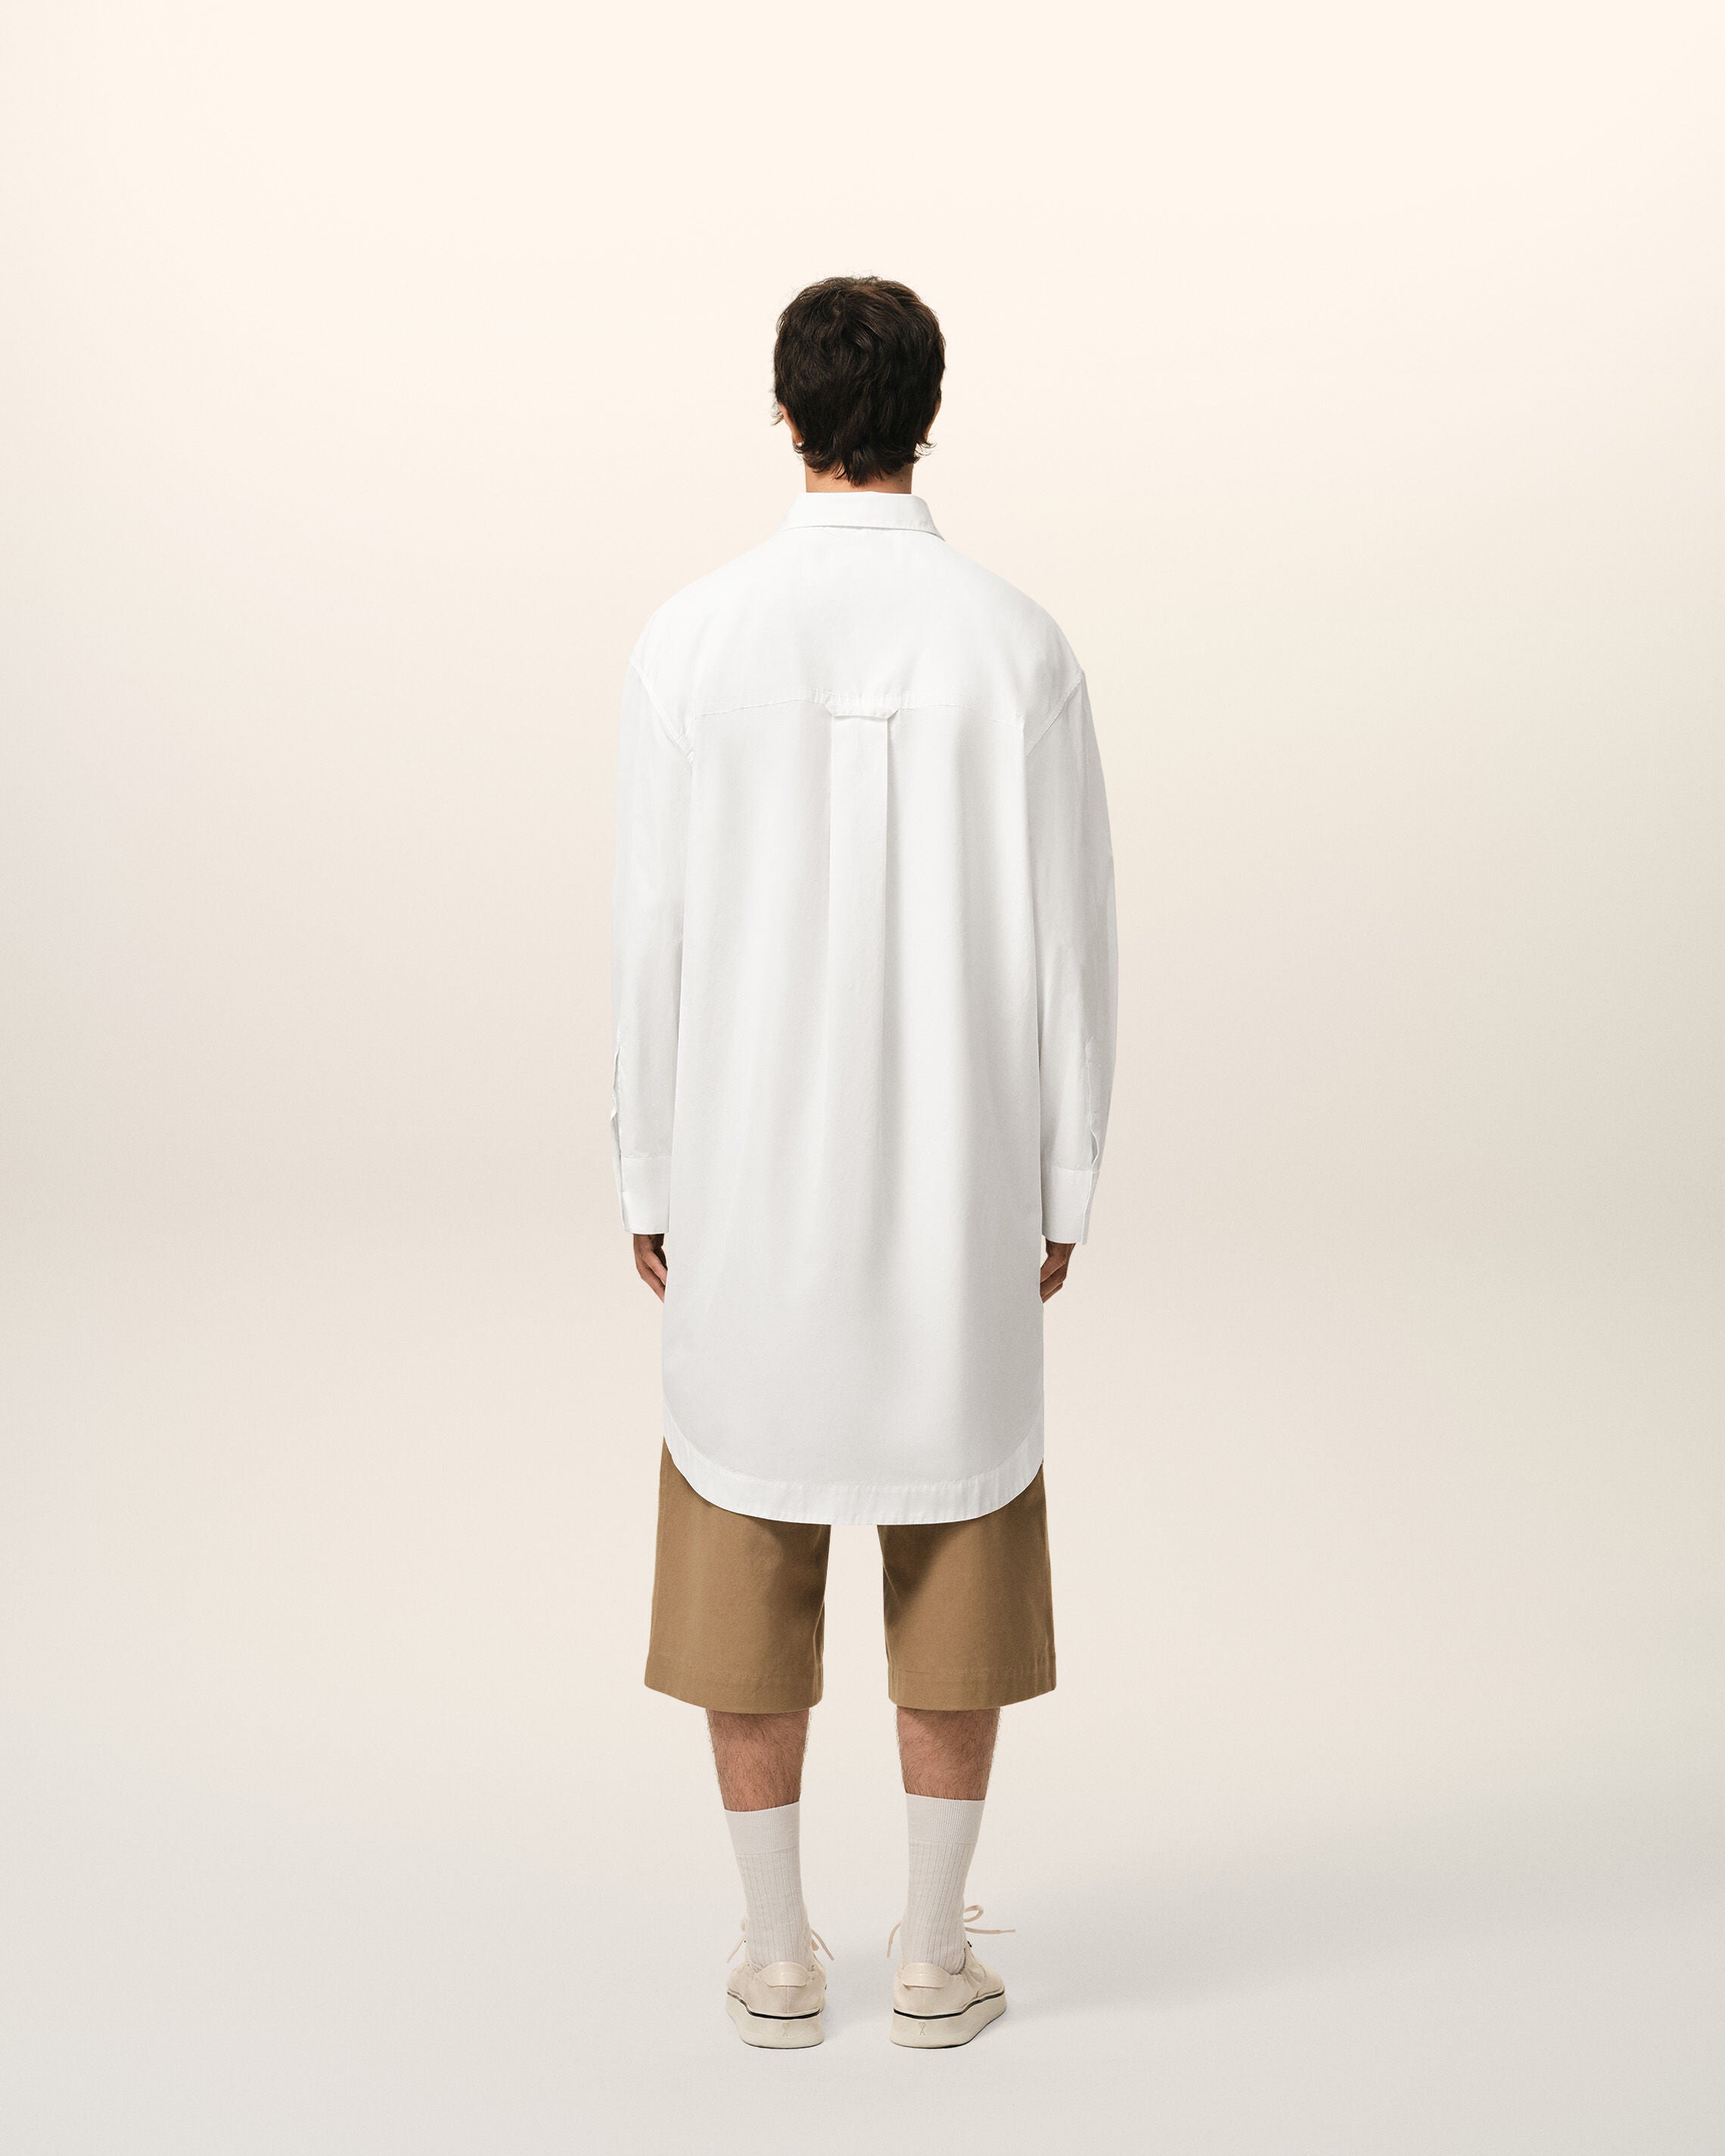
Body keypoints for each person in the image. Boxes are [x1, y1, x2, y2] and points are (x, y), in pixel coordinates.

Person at [609, 275, 1117, 2049]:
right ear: (930, 413)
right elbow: (1073, 942)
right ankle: (929, 1954)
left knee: (742, 1532)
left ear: (786, 413)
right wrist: (1064, 1183)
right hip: (960, 1181)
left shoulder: (691, 640)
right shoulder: (1019, 645)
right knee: (957, 1535)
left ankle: (775, 1955)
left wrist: (649, 1175)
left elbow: (651, 936)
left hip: (745, 1178)